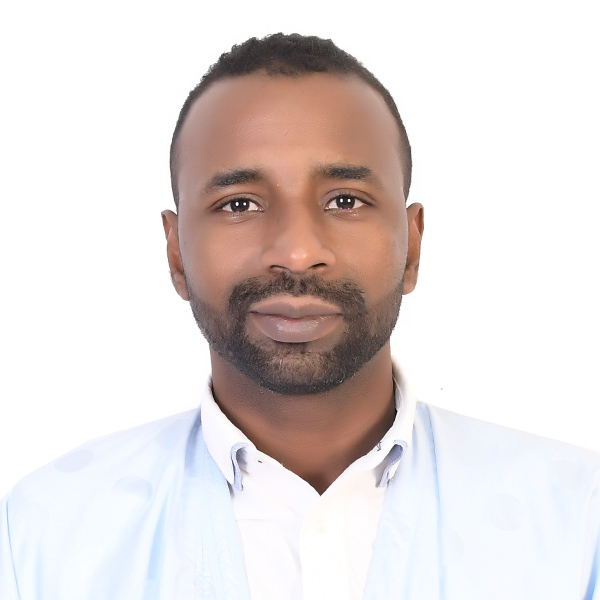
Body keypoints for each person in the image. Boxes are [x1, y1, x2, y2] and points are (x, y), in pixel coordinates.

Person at [1, 33, 598, 600]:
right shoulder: (43, 534)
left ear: (412, 247)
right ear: (176, 252)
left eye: (346, 200)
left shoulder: (579, 522)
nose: (296, 251)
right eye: (239, 204)